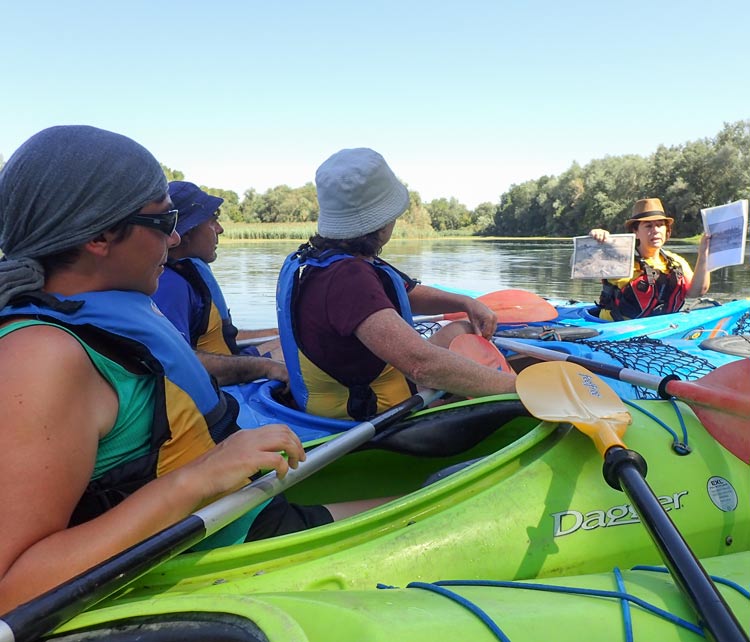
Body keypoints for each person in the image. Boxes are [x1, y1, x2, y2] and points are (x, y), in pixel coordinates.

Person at [0, 126, 371, 612]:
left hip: (241, 523)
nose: (175, 237)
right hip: (221, 563)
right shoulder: (42, 357)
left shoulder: (101, 314)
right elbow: (12, 590)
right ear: (100, 235)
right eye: (164, 218)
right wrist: (199, 477)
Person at [277, 147, 516, 421]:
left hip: (353, 390)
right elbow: (420, 365)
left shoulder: (327, 260)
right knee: (468, 376)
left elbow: (405, 295)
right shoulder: (349, 279)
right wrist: (517, 389)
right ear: (381, 222)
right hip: (366, 416)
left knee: (463, 329)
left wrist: (464, 303)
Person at [152, 181, 286, 387]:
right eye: (212, 220)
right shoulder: (170, 285)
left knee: (289, 341)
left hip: (228, 359)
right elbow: (177, 364)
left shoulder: (184, 274)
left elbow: (213, 338)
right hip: (221, 386)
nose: (220, 229)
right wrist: (267, 366)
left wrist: (277, 333)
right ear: (186, 234)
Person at [588, 197, 711, 321]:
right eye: (648, 226)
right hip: (616, 330)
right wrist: (595, 241)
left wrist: (704, 255)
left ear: (667, 231)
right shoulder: (620, 259)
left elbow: (696, 292)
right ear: (635, 232)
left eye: (660, 225)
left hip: (660, 327)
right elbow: (578, 265)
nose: (655, 230)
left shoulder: (676, 262)